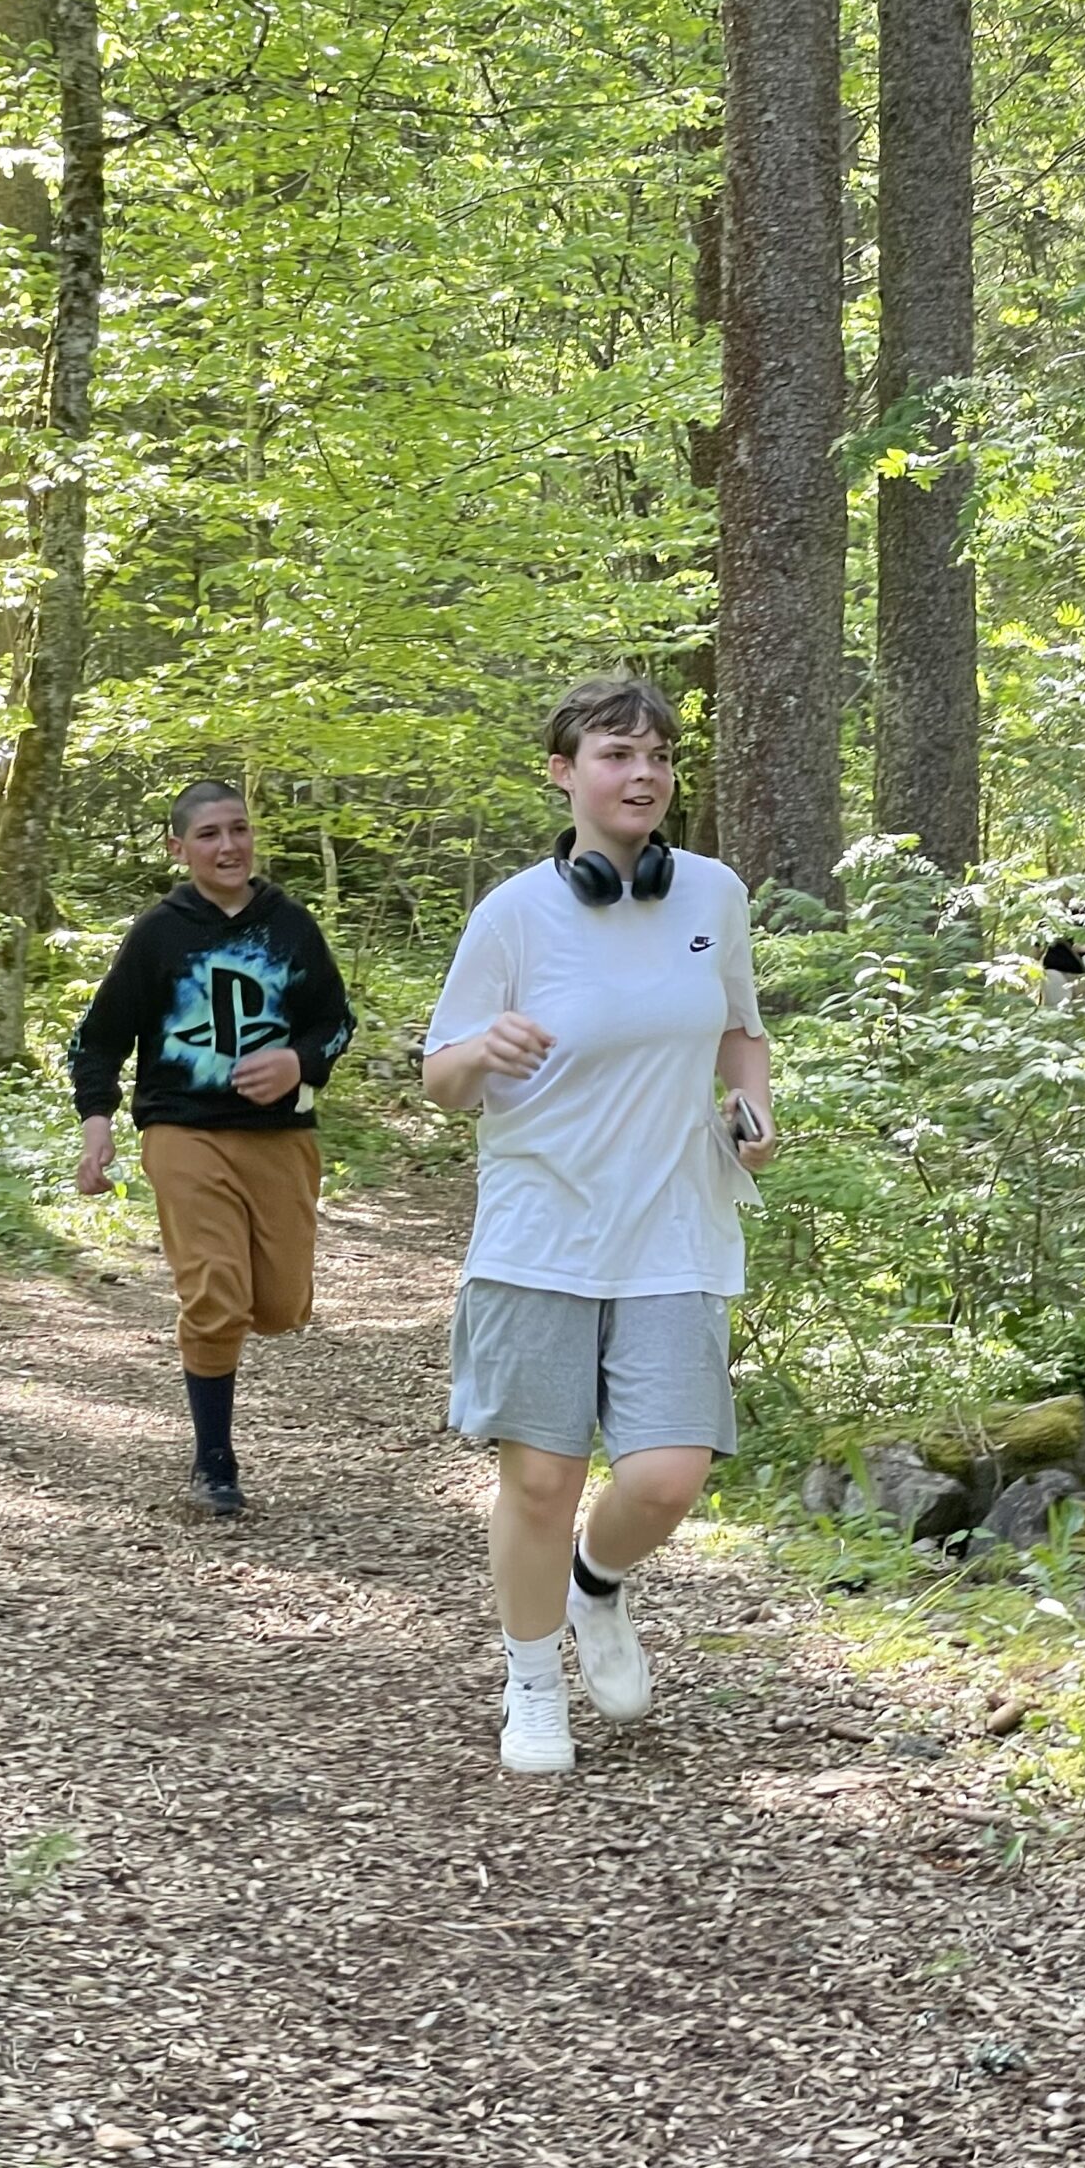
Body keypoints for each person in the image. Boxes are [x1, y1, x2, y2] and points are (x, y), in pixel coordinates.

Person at [422, 675, 775, 1775]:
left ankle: (597, 1584)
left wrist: (754, 1111)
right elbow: (441, 1077)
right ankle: (532, 1685)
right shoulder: (513, 914)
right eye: (617, 754)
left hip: (676, 1224)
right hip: (542, 1231)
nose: (643, 774)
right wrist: (483, 1050)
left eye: (658, 755)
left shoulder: (712, 894)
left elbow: (741, 1030)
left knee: (667, 1476)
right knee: (541, 1481)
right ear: (564, 773)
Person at [69, 781, 355, 1517]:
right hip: (182, 1128)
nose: (228, 846)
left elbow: (334, 1021)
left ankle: (221, 1408)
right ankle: (214, 1462)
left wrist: (298, 1062)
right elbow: (99, 1039)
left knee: (281, 1306)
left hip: (280, 1135)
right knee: (215, 1293)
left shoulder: (289, 924)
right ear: (179, 848)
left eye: (239, 829)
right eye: (208, 835)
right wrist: (97, 1121)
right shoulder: (159, 933)